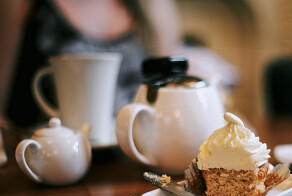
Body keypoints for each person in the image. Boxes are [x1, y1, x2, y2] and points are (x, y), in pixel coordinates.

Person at [0, 0, 238, 126]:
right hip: (57, 155)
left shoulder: (151, 7)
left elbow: (167, 84)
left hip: (136, 152)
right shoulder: (23, 5)